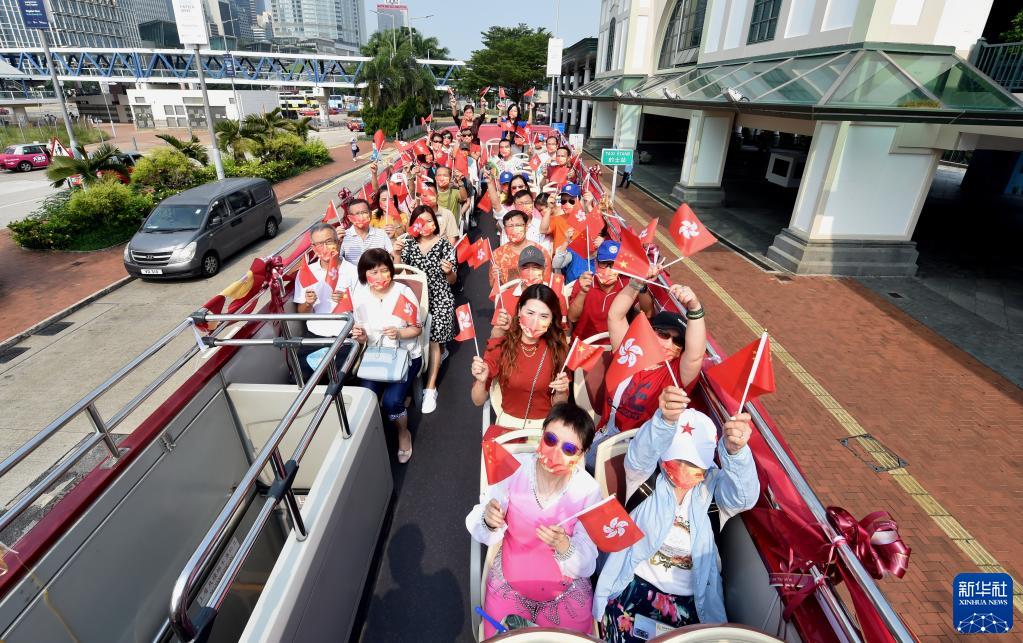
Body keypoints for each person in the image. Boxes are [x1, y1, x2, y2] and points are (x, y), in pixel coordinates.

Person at [594, 387, 759, 641]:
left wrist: (736, 453)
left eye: (692, 463)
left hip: (694, 603)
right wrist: (664, 420)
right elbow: (640, 455)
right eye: (676, 460)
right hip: (633, 586)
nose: (682, 469)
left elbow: (745, 496)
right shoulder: (646, 476)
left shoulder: (712, 490)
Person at [466, 403, 602, 637]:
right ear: (542, 435)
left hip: (566, 597)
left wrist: (564, 546)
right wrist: (489, 518)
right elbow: (484, 518)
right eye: (550, 439)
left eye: (569, 448)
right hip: (509, 590)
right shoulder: (512, 470)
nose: (556, 452)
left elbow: (587, 561)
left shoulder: (588, 490)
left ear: (581, 454)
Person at [591, 278, 707, 464]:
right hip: (602, 440)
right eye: (663, 334)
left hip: (639, 454)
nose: (669, 344)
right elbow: (615, 316)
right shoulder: (630, 350)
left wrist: (695, 308)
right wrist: (637, 282)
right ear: (649, 332)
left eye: (678, 341)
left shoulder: (675, 375)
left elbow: (695, 356)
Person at [351, 249, 424, 464]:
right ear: (364, 274)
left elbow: (417, 329)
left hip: (405, 355)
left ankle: (403, 433)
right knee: (365, 396)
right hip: (376, 357)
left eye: (384, 271)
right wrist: (361, 336)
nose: (380, 277)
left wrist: (400, 333)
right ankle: (375, 435)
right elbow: (363, 336)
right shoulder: (360, 295)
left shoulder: (403, 293)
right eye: (373, 272)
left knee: (391, 401)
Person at [470, 284, 570, 427]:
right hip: (509, 423)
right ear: (518, 311)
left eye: (543, 316)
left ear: (551, 319)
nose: (535, 321)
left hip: (545, 425)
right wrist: (481, 381)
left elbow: (560, 405)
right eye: (530, 313)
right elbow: (477, 400)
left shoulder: (559, 348)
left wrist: (561, 391)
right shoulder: (502, 344)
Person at [393, 205, 456, 415]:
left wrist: (448, 272)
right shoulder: (408, 243)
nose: (426, 226)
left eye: (430, 221)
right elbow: (400, 272)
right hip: (415, 296)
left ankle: (430, 387)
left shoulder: (444, 244)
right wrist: (397, 253)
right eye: (420, 222)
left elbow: (453, 280)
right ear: (413, 224)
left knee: (434, 337)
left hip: (439, 296)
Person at [293, 223, 360, 376]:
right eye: (319, 244)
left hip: (345, 334)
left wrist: (345, 300)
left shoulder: (353, 271)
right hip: (314, 334)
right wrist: (308, 303)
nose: (324, 248)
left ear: (338, 242)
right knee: (302, 377)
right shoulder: (306, 272)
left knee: (341, 378)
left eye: (329, 242)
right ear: (313, 247)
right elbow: (302, 313)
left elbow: (362, 308)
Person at [567, 241, 652, 341]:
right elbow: (572, 318)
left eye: (614, 264)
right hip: (584, 344)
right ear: (595, 262)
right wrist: (583, 292)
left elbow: (648, 313)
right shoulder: (584, 282)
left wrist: (641, 285)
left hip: (616, 346)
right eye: (603, 263)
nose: (608, 269)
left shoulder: (628, 284)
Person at [490, 211, 552, 290]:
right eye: (510, 226)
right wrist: (496, 278)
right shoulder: (497, 255)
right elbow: (494, 287)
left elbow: (547, 283)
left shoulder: (541, 252)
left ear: (526, 227)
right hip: (509, 299)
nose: (514, 229)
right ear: (505, 229)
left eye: (518, 225)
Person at [341, 198, 393, 264]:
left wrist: (393, 239)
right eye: (357, 214)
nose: (361, 216)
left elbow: (394, 257)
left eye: (364, 213)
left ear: (370, 214)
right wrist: (337, 244)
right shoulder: (344, 237)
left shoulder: (382, 234)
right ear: (350, 218)